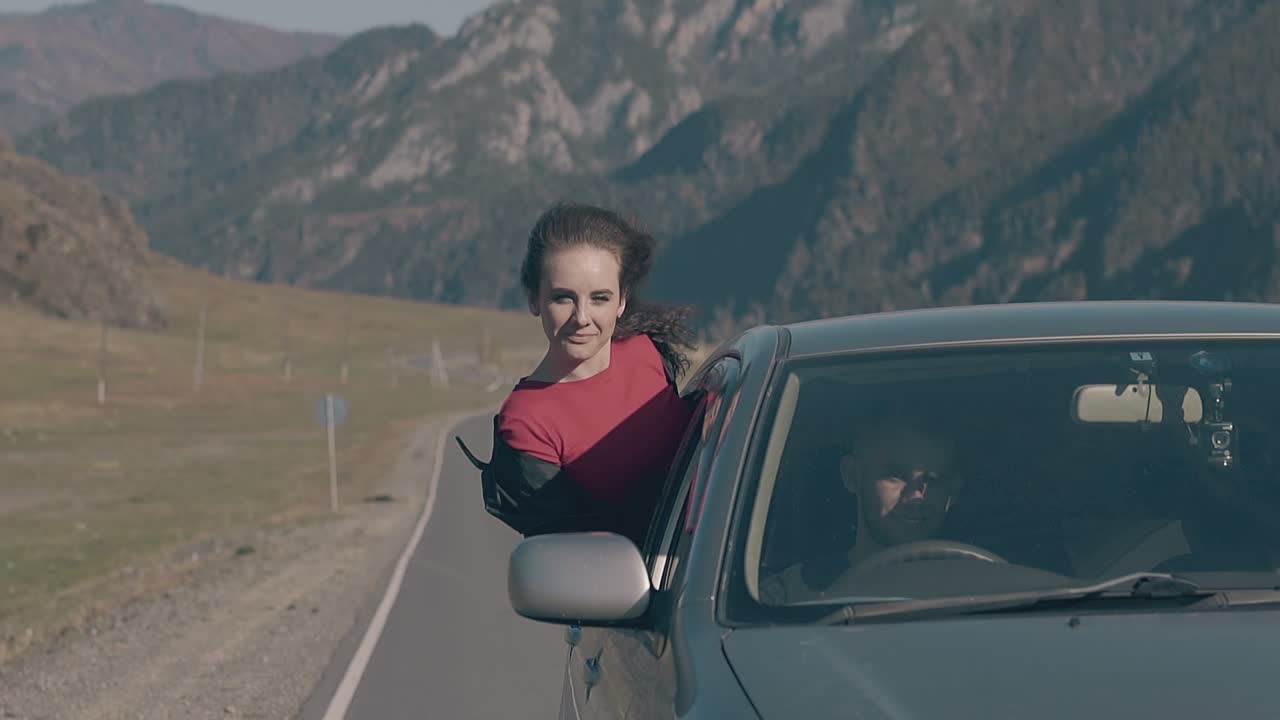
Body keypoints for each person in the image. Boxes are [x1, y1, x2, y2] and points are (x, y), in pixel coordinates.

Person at [456, 201, 698, 544]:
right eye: (563, 298)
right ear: (534, 300)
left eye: (599, 298)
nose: (582, 317)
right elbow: (569, 557)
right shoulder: (527, 422)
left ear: (622, 301)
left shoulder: (645, 348)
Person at [759, 420, 963, 604]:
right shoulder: (789, 597)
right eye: (895, 476)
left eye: (933, 480)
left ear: (953, 491)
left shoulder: (976, 596)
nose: (915, 497)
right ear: (852, 475)